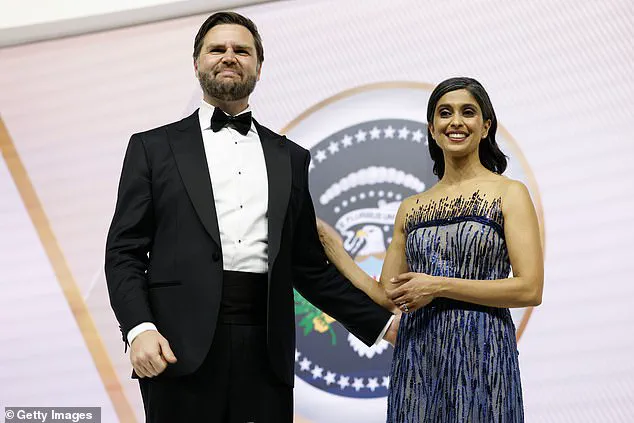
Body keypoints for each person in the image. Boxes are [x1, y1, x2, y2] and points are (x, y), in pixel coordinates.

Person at [104, 11, 398, 423]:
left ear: (259, 67)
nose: (229, 57)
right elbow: (124, 253)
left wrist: (385, 325)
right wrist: (139, 328)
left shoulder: (291, 157)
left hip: (265, 355)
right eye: (217, 49)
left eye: (242, 51)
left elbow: (308, 267)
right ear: (196, 63)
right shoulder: (152, 148)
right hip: (176, 349)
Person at [317, 77, 543, 422]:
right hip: (419, 356)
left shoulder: (510, 193)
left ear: (486, 127)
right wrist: (332, 246)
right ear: (432, 129)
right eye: (445, 113)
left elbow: (529, 288)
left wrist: (437, 286)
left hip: (484, 352)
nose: (456, 122)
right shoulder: (410, 207)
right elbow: (387, 296)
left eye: (468, 112)